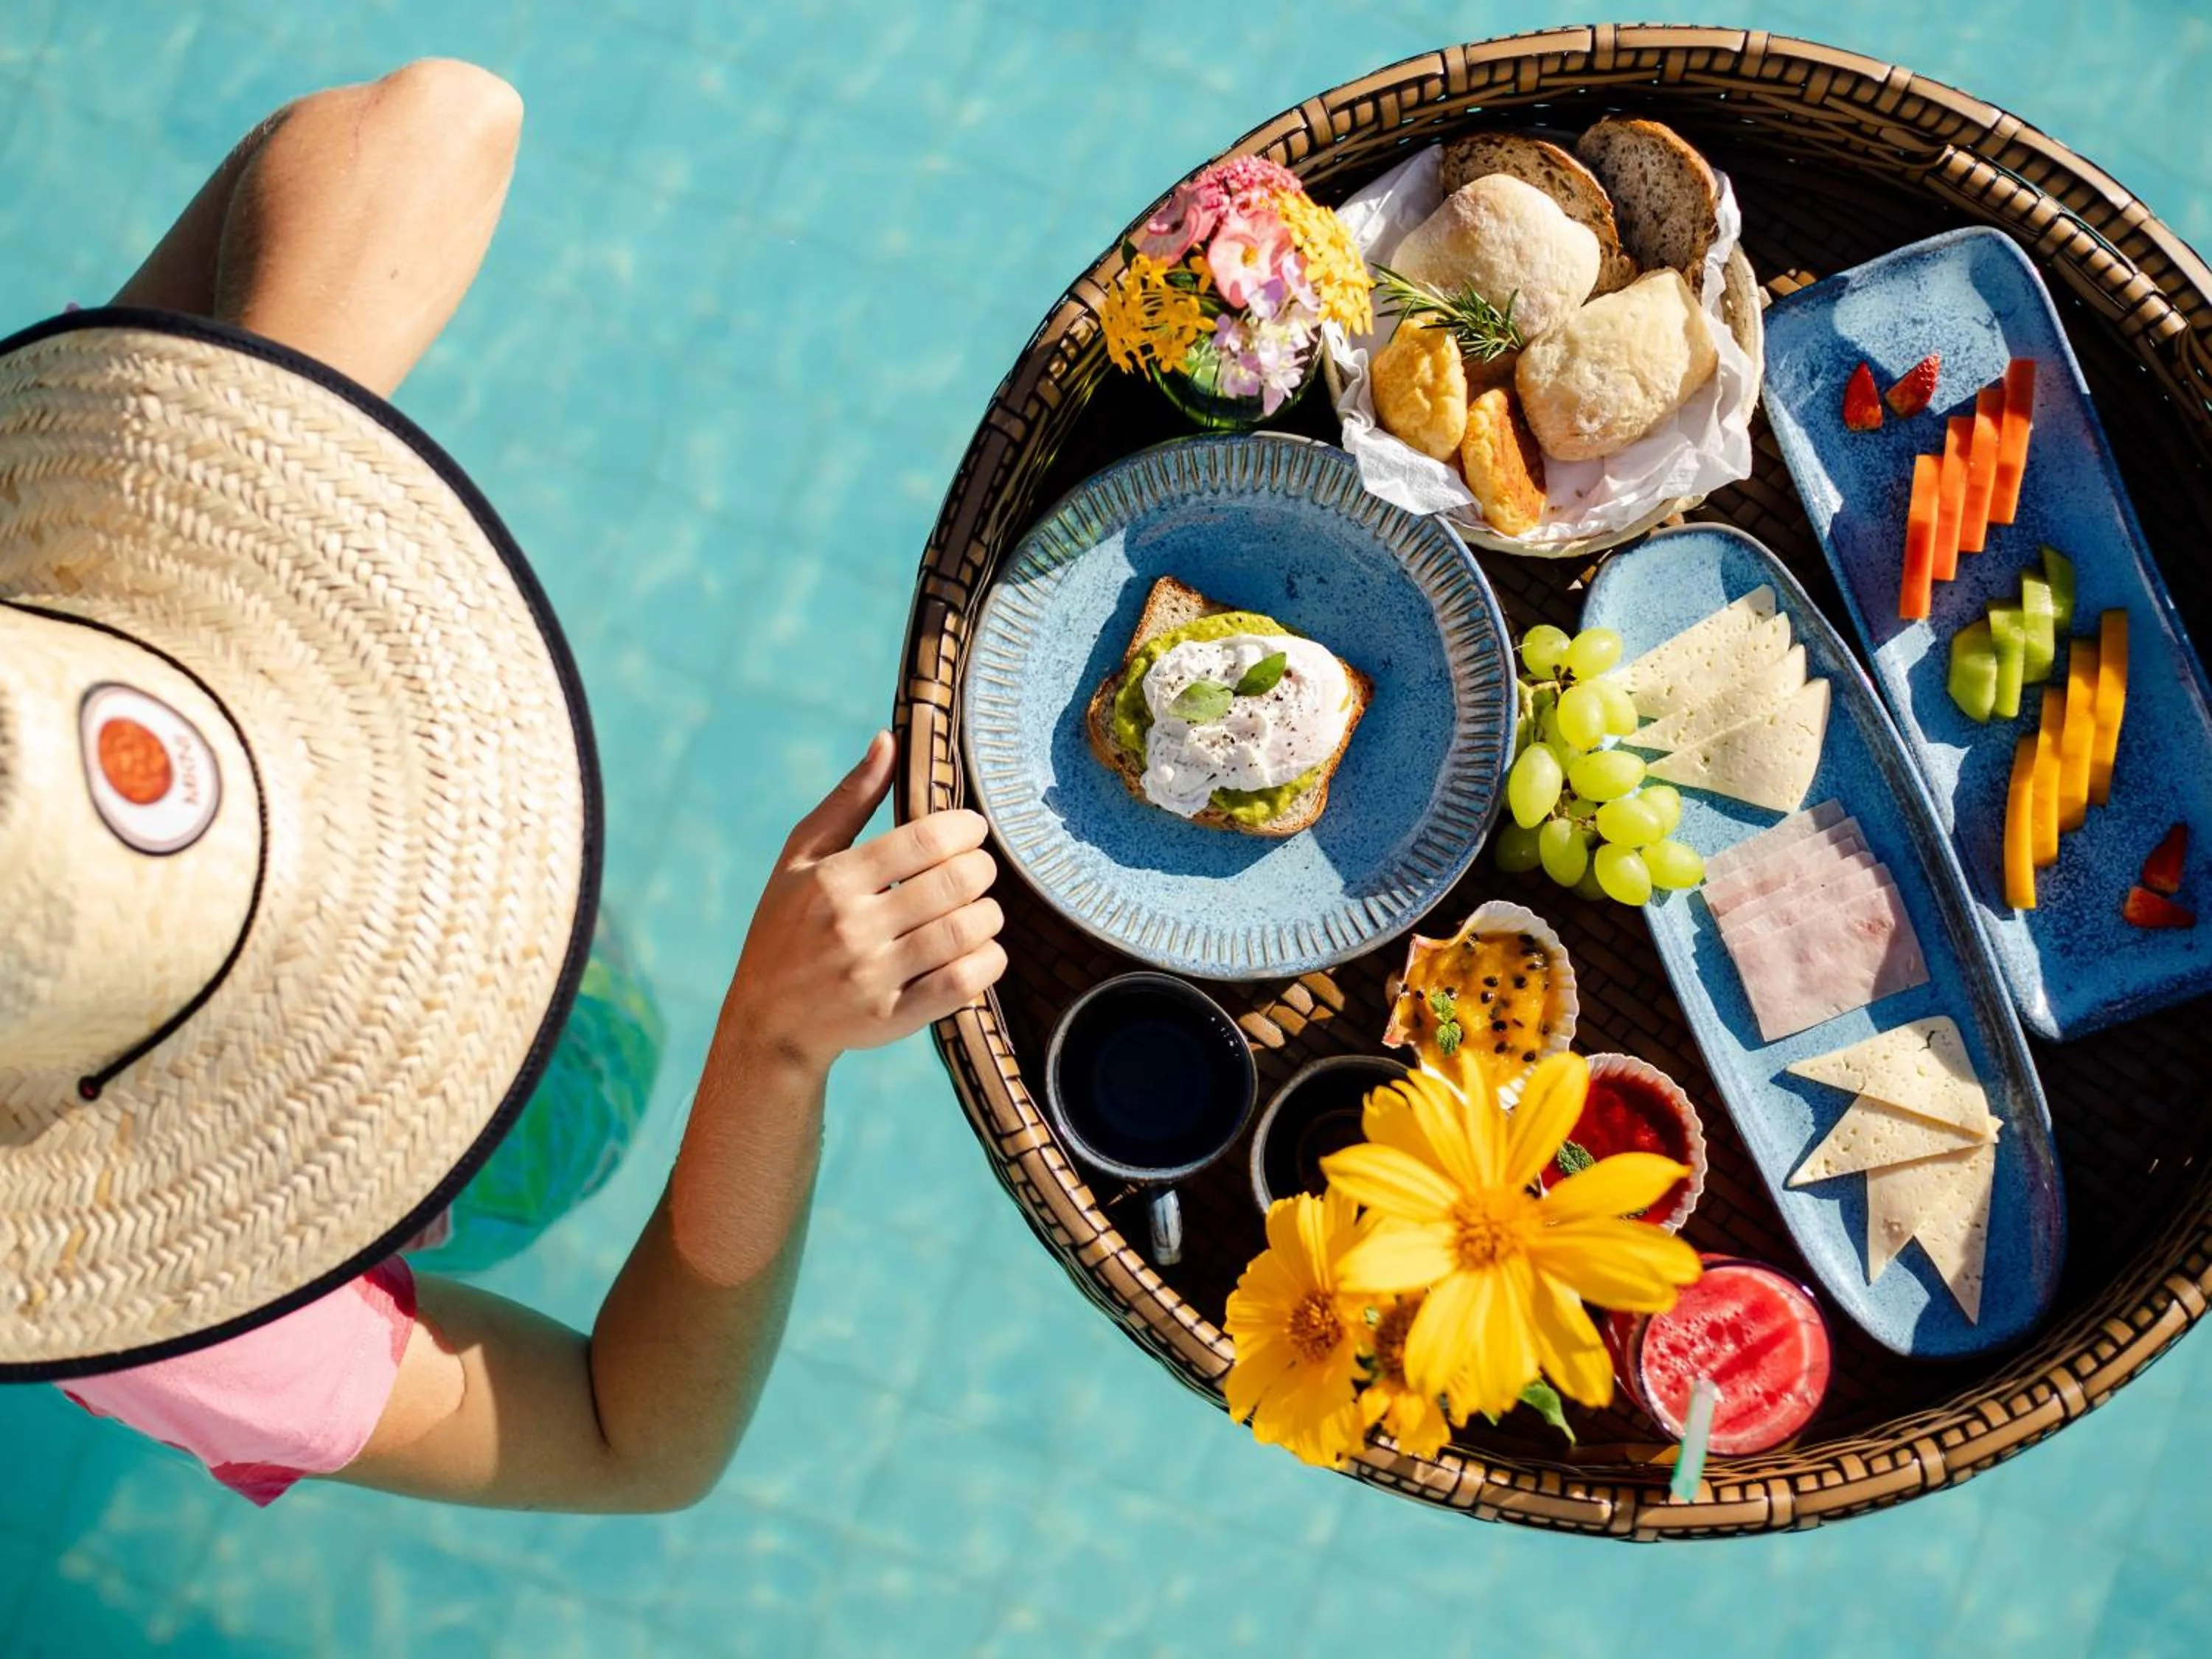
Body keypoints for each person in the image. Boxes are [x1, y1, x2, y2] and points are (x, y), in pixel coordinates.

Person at [0, 59, 1004, 1511]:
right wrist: (770, 1048)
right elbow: (631, 1437)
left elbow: (442, 119)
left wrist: (242, 471)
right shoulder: (189, 1334)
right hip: (508, 1142)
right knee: (597, 1068)